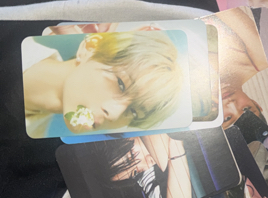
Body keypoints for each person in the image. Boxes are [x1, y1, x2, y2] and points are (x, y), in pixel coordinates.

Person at [22, 31, 184, 138]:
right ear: (90, 48)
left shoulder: (32, 140)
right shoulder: (12, 35)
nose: (113, 115)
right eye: (121, 84)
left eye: (134, 112)